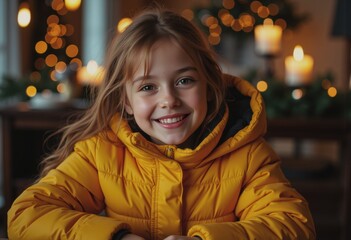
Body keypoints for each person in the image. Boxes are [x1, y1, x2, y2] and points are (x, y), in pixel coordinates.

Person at [7, 7, 316, 240]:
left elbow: (293, 223)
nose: (168, 99)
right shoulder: (101, 153)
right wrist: (116, 237)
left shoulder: (249, 156)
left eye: (184, 80)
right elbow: (26, 215)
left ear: (208, 85)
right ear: (126, 100)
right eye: (147, 87)